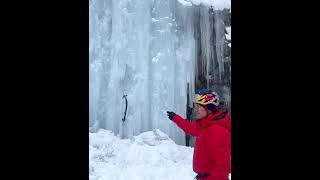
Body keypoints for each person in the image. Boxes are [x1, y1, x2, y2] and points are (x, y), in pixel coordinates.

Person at [167, 89, 231, 180]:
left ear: (209, 109)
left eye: (199, 107)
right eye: (195, 106)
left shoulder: (217, 131)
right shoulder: (206, 126)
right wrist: (176, 118)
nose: (195, 109)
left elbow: (223, 166)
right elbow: (191, 128)